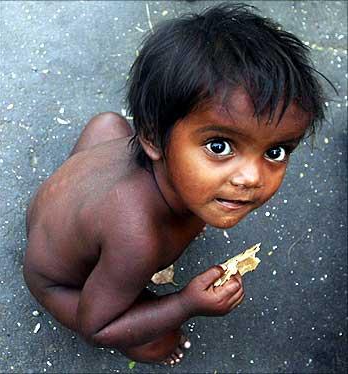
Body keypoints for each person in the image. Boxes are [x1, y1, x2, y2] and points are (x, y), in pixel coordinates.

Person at [23, 3, 331, 366]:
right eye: (219, 146)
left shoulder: (156, 167)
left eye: (276, 151)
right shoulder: (138, 237)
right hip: (58, 282)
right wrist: (186, 303)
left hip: (68, 208)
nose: (251, 177)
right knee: (155, 339)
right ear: (152, 136)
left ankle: (86, 212)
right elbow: (96, 326)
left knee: (107, 124)